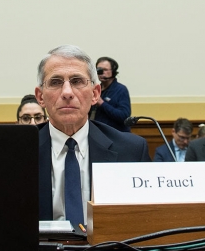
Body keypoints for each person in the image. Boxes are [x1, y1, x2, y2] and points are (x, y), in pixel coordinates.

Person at [35, 45, 149, 225]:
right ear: (40, 97)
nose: (67, 92)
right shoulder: (16, 152)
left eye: (77, 81)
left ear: (95, 94)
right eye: (55, 82)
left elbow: (143, 221)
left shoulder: (131, 150)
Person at [91, 56, 132, 132]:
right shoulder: (96, 89)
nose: (102, 73)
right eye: (99, 70)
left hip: (117, 135)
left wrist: (102, 103)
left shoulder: (121, 89)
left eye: (105, 70)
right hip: (98, 133)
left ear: (113, 71)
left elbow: (124, 116)